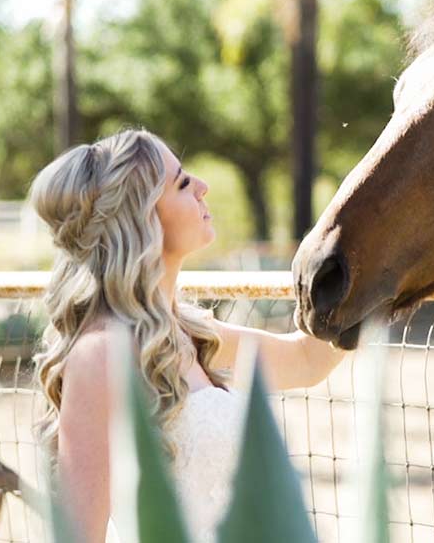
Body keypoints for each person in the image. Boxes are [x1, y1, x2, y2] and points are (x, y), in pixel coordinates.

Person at [29, 129, 345, 542]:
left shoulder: (191, 335)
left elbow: (306, 360)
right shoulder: (100, 355)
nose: (202, 186)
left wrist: (382, 263)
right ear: (141, 219)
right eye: (181, 183)